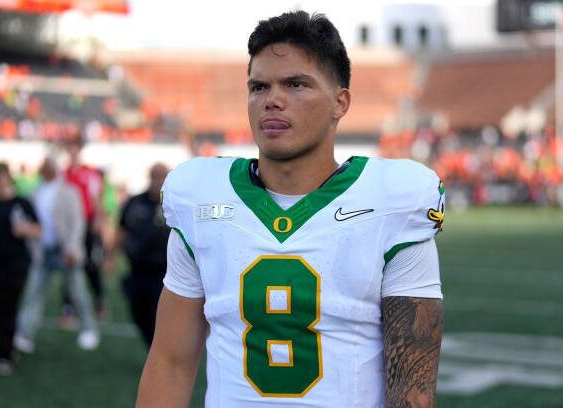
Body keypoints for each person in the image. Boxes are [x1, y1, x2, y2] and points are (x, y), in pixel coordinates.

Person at [137, 11, 445, 407]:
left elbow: (413, 386)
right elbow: (170, 364)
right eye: (259, 87)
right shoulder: (201, 199)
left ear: (340, 102)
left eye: (296, 84)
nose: (273, 100)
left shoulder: (393, 204)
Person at [14, 157, 100, 353]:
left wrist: (71, 248)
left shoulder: (69, 192)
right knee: (33, 293)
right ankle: (24, 333)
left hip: (64, 251)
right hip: (42, 251)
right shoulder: (35, 192)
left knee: (77, 292)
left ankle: (89, 328)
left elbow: (77, 223)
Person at [0, 162, 41, 376]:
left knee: (8, 306)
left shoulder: (22, 203)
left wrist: (26, 229)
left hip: (15, 265)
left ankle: (4, 354)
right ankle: (6, 340)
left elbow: (38, 229)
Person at [115, 163, 170, 347]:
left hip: (164, 273)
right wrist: (110, 255)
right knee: (137, 312)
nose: (158, 181)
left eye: (162, 176)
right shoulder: (135, 202)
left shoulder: (175, 203)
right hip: (137, 268)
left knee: (159, 315)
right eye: (155, 176)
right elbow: (122, 229)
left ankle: (158, 350)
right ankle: (151, 344)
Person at [62, 137, 107, 323]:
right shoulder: (63, 174)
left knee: (90, 265)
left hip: (87, 224)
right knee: (68, 264)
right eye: (69, 147)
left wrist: (97, 219)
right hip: (69, 226)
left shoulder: (89, 173)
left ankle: (99, 301)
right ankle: (68, 307)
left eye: (75, 147)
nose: (72, 151)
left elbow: (97, 197)